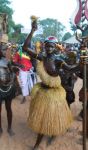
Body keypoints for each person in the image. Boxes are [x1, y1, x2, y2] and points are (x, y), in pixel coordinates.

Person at [22, 19, 73, 150]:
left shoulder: (58, 61)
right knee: (43, 119)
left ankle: (53, 134)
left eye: (52, 46)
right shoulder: (42, 58)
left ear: (55, 47)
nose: (49, 48)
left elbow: (71, 69)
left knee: (53, 117)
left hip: (55, 94)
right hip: (43, 93)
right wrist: (32, 31)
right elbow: (25, 48)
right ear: (44, 46)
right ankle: (37, 144)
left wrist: (82, 63)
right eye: (47, 46)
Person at [0, 34, 16, 136]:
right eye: (1, 45)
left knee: (8, 108)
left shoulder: (8, 57)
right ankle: (0, 128)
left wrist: (14, 69)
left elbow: (12, 69)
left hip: (8, 87)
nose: (3, 48)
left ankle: (9, 127)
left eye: (4, 45)